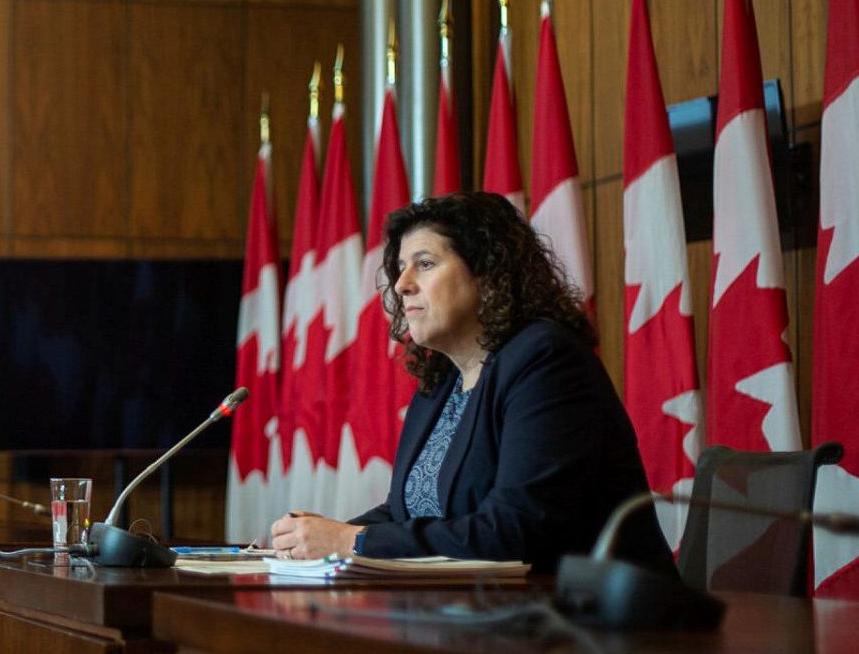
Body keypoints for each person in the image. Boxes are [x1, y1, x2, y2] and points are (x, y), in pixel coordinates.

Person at [266, 191, 674, 574]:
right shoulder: (443, 379)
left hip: (592, 627)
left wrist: (349, 540)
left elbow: (515, 530)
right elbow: (406, 514)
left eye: (424, 264)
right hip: (478, 616)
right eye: (401, 267)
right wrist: (317, 538)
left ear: (488, 275)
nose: (402, 283)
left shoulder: (546, 362)